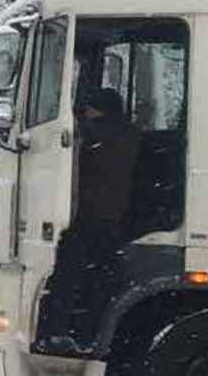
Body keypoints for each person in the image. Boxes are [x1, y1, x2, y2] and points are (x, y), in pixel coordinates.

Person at [34, 87, 141, 355]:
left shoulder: (93, 135)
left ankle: (62, 333)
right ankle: (90, 331)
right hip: (114, 217)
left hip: (87, 217)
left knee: (69, 278)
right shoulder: (129, 135)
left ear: (100, 110)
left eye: (91, 108)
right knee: (102, 279)